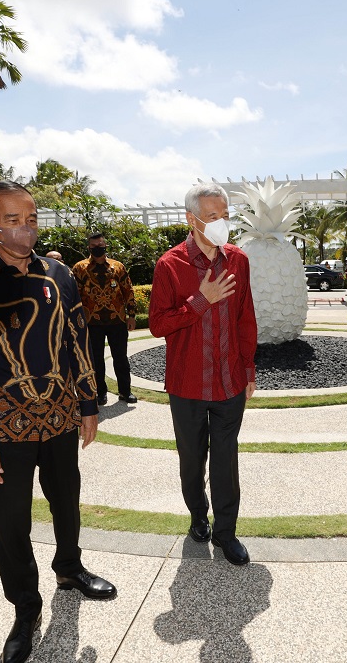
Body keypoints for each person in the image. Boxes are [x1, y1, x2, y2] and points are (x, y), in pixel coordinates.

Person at [0, 180, 115, 663]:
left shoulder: (60, 273)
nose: (25, 229)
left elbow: (77, 340)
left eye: (32, 218)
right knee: (10, 520)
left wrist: (87, 402)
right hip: (1, 429)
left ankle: (70, 568)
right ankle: (25, 606)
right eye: (13, 220)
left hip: (61, 416)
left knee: (67, 499)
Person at [148, 182, 257, 567]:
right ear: (191, 219)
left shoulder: (238, 261)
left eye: (225, 216)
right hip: (187, 384)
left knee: (226, 459)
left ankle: (226, 532)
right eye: (212, 217)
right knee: (191, 459)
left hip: (229, 382)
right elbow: (158, 324)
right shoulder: (170, 264)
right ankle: (198, 515)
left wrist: (248, 370)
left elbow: (246, 318)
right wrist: (200, 300)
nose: (221, 224)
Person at [72, 233, 137, 405]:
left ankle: (125, 391)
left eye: (100, 244)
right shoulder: (80, 268)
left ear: (105, 245)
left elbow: (128, 291)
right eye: (94, 246)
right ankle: (101, 393)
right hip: (92, 323)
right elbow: (74, 296)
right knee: (96, 360)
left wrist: (131, 315)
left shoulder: (117, 266)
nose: (98, 248)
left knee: (121, 358)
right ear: (89, 248)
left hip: (117, 320)